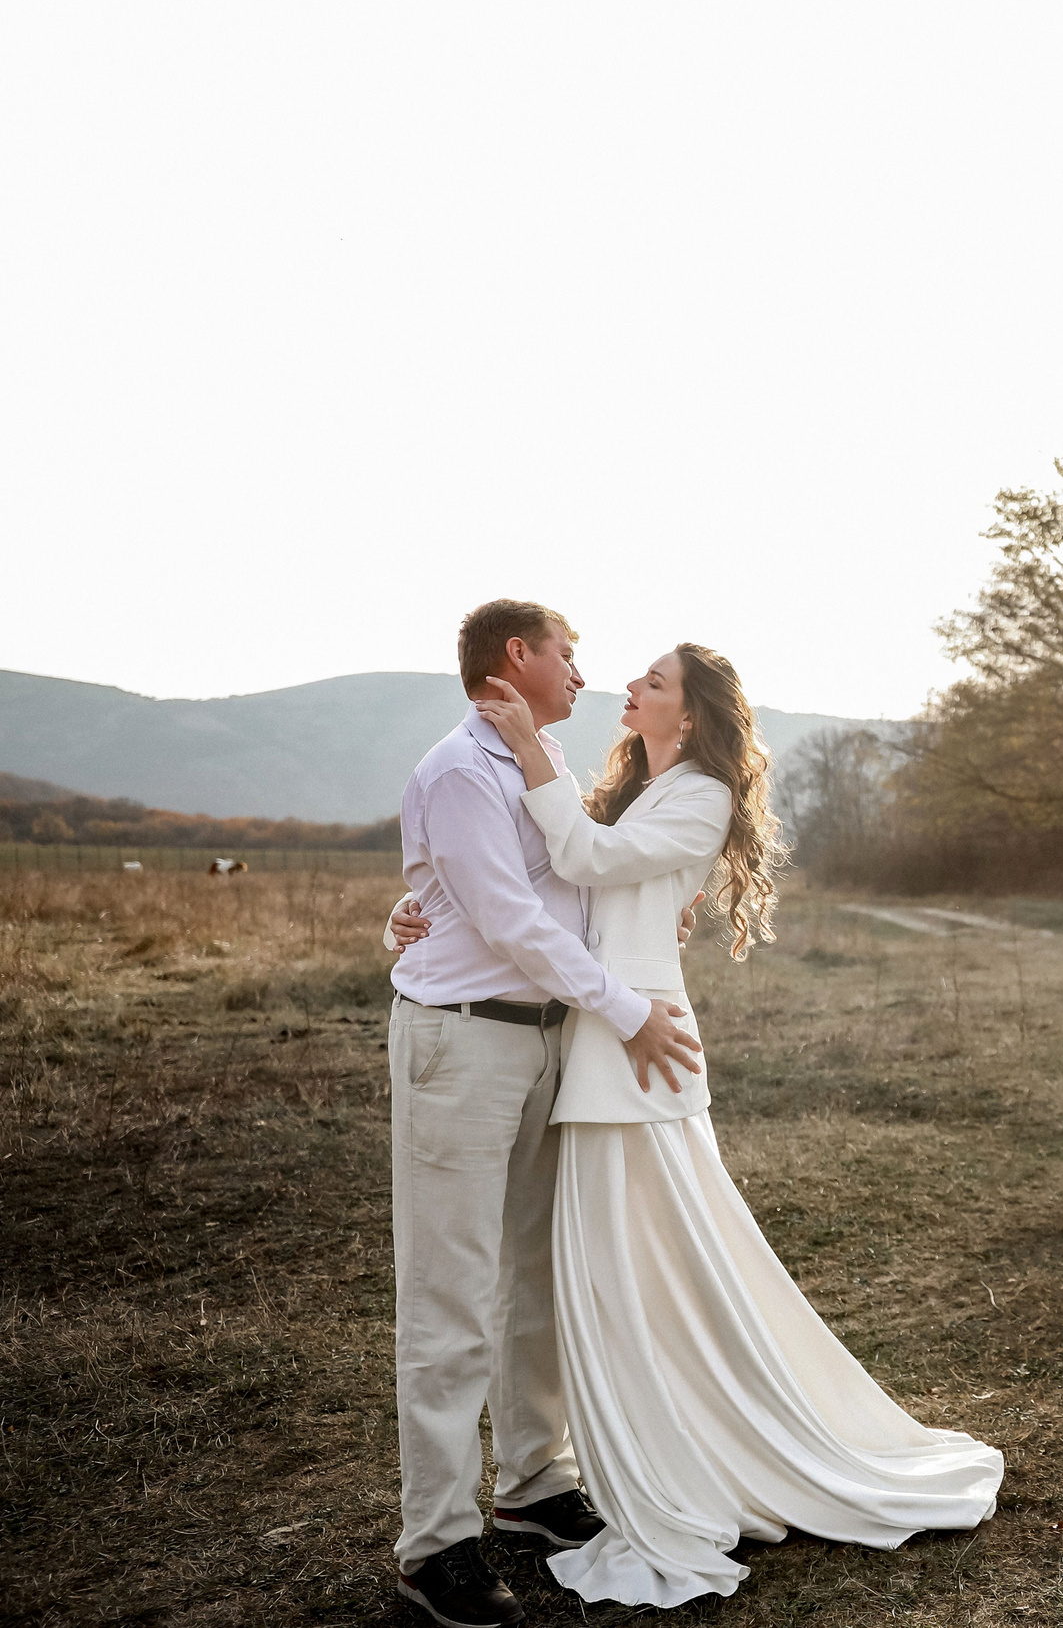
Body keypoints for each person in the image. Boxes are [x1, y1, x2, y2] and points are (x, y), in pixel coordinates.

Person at [391, 641, 1002, 1609]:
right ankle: (536, 1490)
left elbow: (581, 860)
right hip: (599, 1040)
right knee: (596, 1266)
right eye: (620, 673)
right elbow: (551, 886)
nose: (624, 687)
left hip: (633, 1044)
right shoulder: (634, 790)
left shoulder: (702, 795)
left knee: (652, 1264)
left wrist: (540, 766)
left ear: (694, 714)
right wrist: (421, 910)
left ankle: (627, 1462)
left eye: (652, 682)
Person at [384, 600, 703, 1628]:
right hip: (465, 1043)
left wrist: (660, 916)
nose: (582, 671)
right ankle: (435, 1541)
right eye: (568, 653)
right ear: (517, 658)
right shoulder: (461, 771)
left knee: (535, 1271)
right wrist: (627, 1012)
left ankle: (532, 1486)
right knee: (452, 1295)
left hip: (545, 1045)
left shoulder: (539, 767)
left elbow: (572, 887)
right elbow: (510, 919)